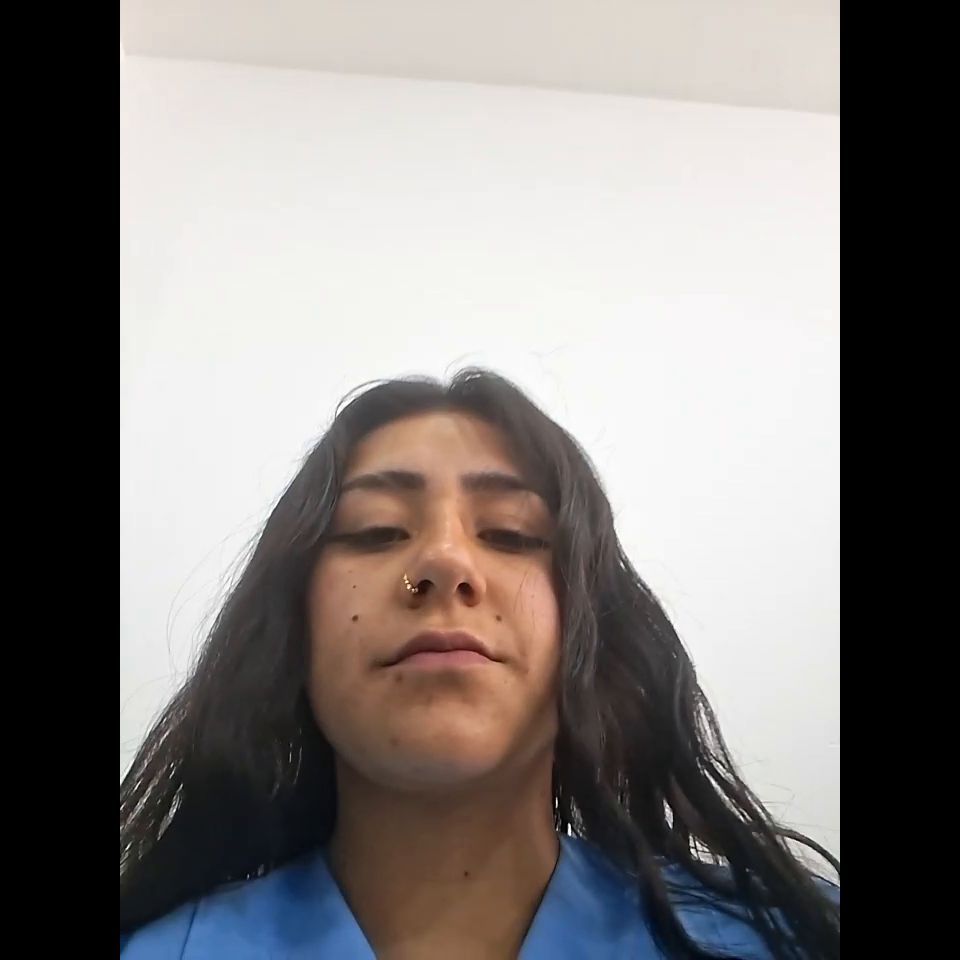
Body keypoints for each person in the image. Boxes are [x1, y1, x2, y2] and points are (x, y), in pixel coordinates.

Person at [120, 369, 839, 959]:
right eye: (376, 531)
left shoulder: (798, 940)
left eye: (510, 533)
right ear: (292, 632)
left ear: (590, 634)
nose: (444, 560)